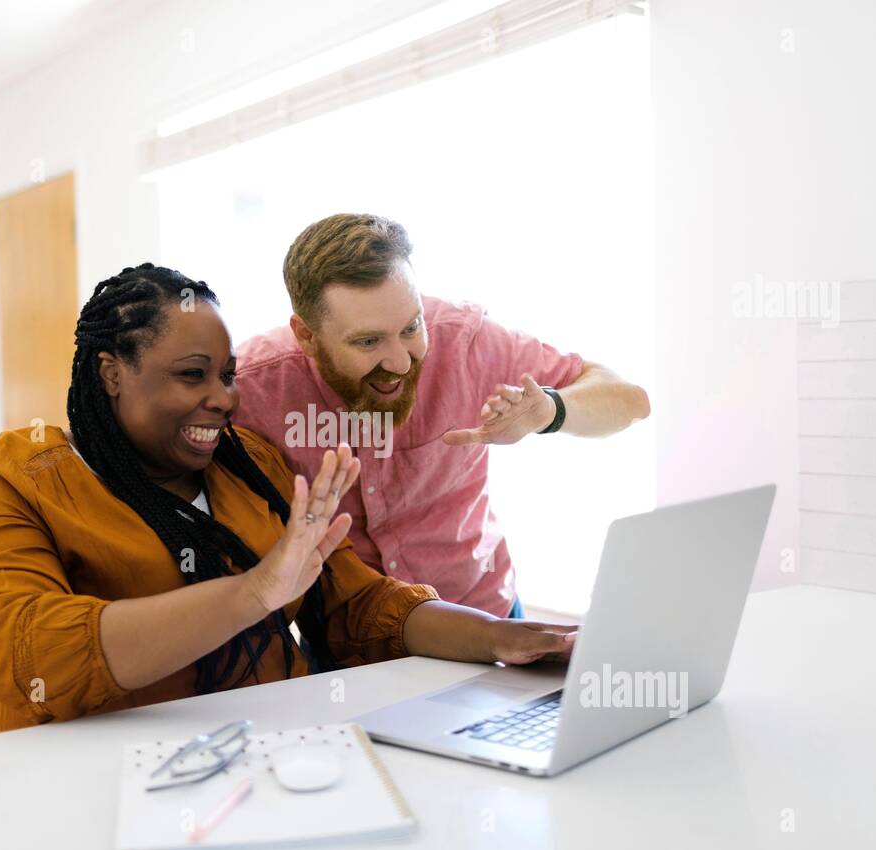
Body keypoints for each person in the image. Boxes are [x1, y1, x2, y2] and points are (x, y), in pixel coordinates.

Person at [0, 264, 578, 735]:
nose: (224, 398)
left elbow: (357, 606)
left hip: (267, 759)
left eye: (226, 375)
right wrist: (254, 593)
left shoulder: (248, 463)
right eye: (191, 375)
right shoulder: (18, 477)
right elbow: (20, 647)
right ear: (112, 372)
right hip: (82, 781)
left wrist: (499, 637)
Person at [232, 213, 651, 619]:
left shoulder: (464, 340)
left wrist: (551, 410)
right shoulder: (251, 385)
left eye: (411, 328)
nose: (399, 361)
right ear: (306, 335)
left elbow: (630, 402)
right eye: (368, 341)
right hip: (352, 648)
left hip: (490, 616)